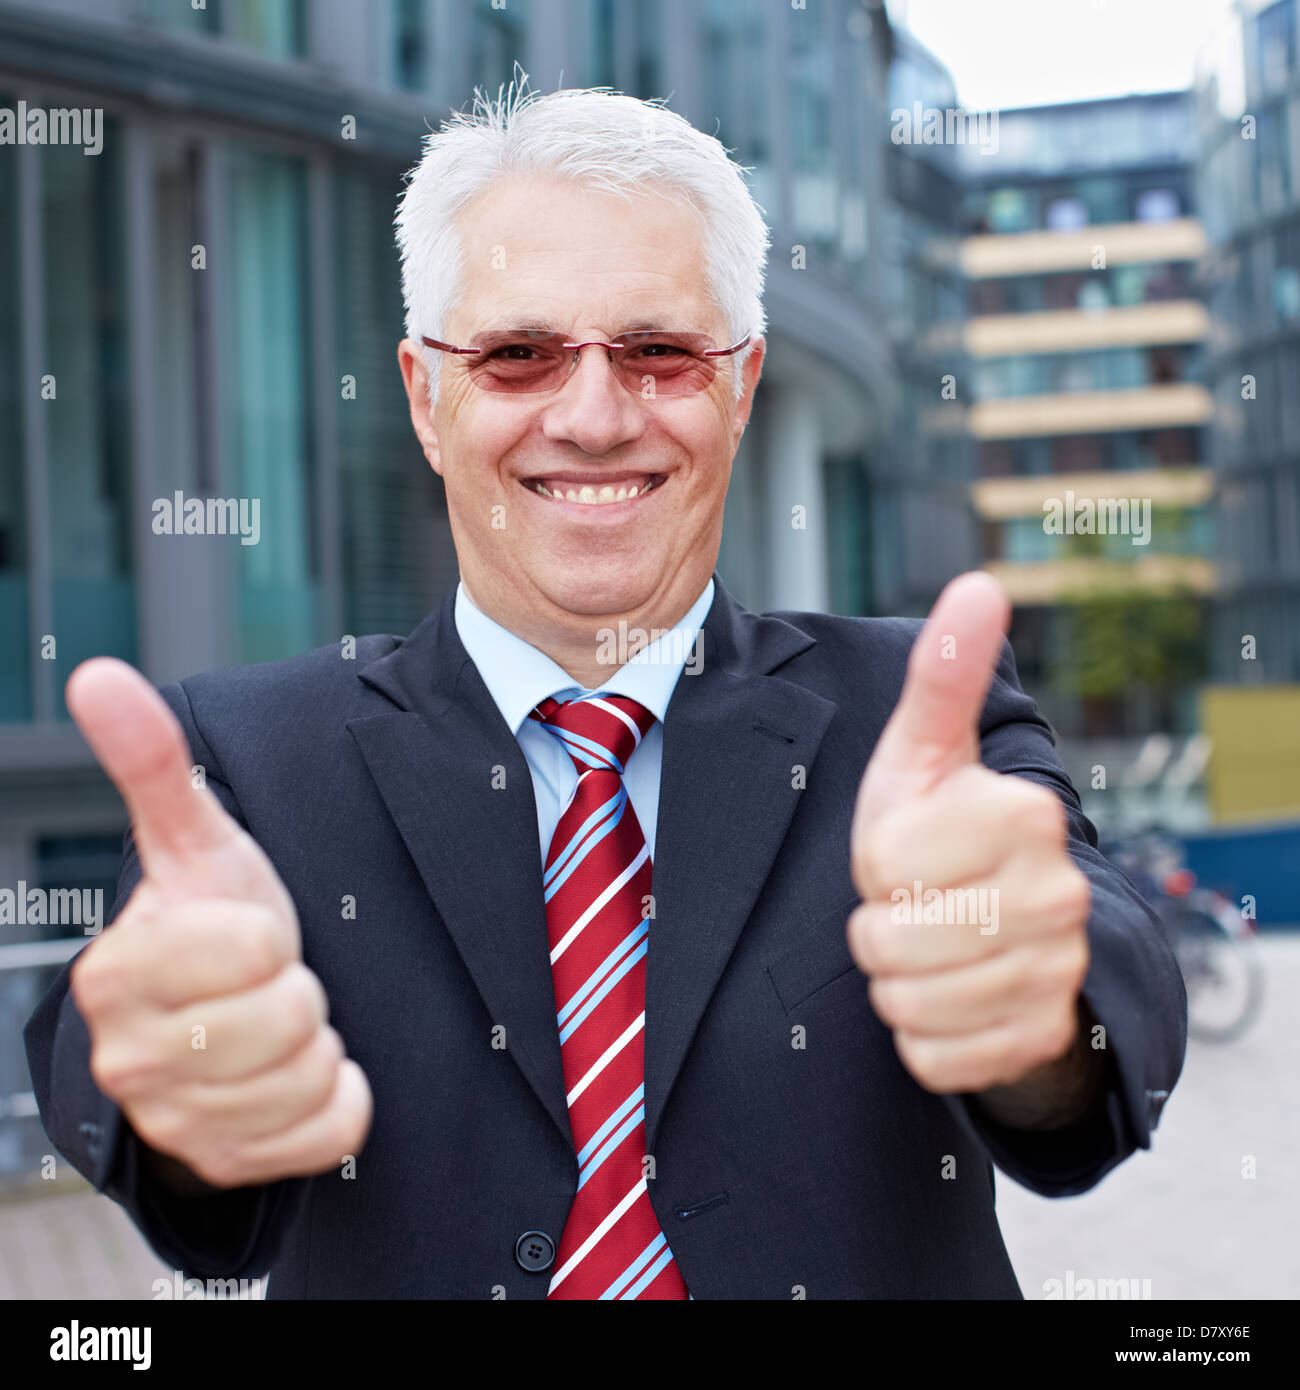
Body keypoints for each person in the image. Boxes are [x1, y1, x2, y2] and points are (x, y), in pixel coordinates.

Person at [25, 81, 1186, 1300]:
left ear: (739, 389)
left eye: (659, 352)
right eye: (518, 355)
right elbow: (134, 1061)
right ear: (426, 397)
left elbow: (1103, 981)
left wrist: (1045, 1009)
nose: (591, 415)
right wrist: (181, 1085)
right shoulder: (252, 757)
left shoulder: (913, 712)